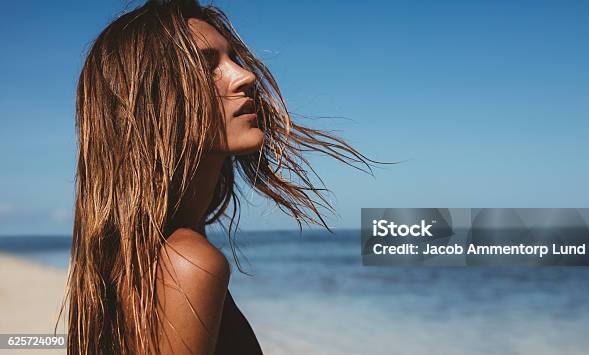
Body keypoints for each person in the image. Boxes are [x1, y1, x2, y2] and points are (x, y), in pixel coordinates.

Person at [60, 0, 375, 354]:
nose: (245, 76)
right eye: (207, 65)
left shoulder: (136, 258)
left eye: (232, 60)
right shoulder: (186, 263)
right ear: (150, 99)